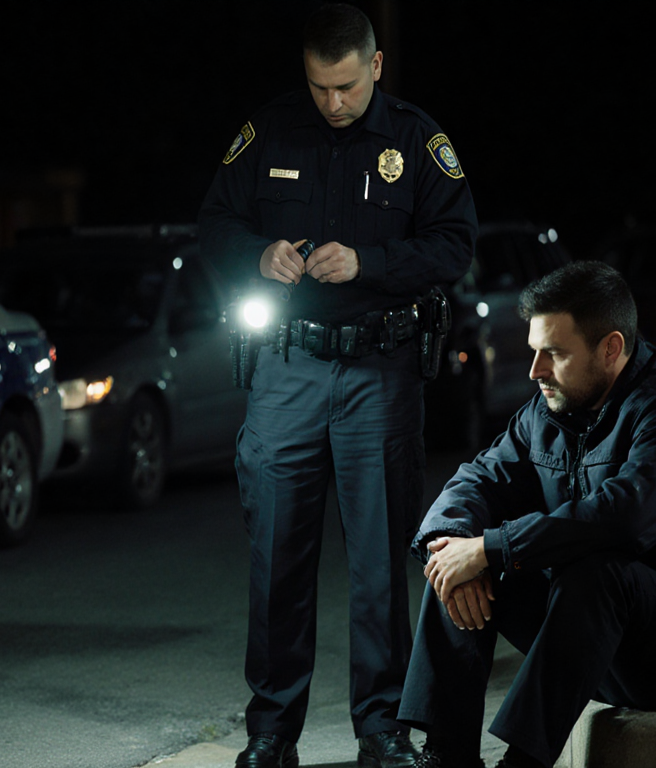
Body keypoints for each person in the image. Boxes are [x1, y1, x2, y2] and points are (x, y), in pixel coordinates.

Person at [198, 4, 479, 768]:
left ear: (376, 66)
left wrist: (368, 264)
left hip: (379, 373)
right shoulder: (269, 131)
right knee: (277, 556)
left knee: (380, 563)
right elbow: (214, 225)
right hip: (286, 368)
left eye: (347, 86)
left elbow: (456, 243)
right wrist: (259, 258)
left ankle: (381, 729)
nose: (334, 103)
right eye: (320, 87)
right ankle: (271, 733)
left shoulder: (417, 140)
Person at [397, 260, 656, 768]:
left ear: (611, 348)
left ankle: (522, 764)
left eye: (552, 353)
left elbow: (623, 518)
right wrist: (452, 541)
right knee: (453, 558)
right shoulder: (548, 409)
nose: (535, 371)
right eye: (533, 351)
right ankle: (447, 754)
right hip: (594, 640)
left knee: (591, 566)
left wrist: (492, 548)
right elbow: (480, 478)